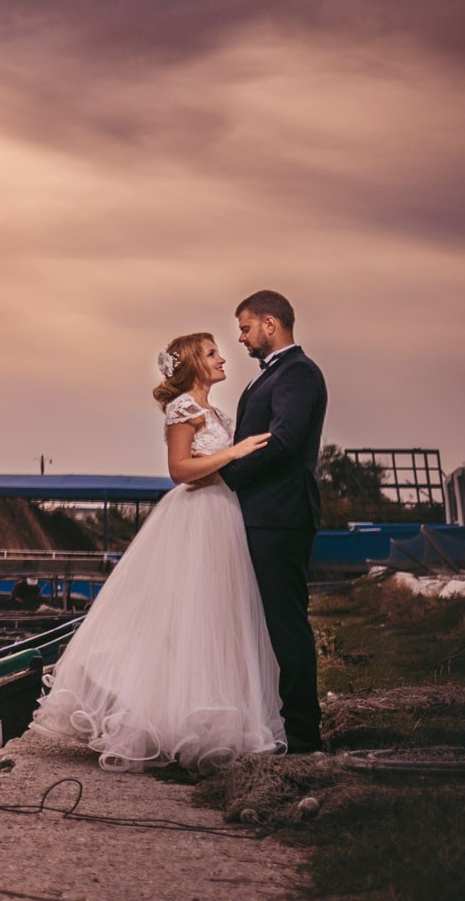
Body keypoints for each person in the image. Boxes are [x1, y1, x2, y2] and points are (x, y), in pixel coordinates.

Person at [31, 331, 284, 770]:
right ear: (192, 364)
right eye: (211, 353)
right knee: (179, 617)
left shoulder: (217, 411)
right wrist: (236, 453)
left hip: (223, 515)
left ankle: (207, 721)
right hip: (195, 518)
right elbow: (179, 470)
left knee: (214, 620)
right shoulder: (182, 407)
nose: (223, 357)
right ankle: (154, 716)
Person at [217, 289, 328, 753]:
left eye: (244, 328)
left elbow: (282, 442)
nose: (240, 338)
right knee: (268, 624)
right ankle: (279, 722)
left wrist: (227, 476)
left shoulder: (297, 373)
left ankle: (303, 734)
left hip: (280, 516)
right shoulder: (274, 376)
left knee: (286, 624)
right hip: (265, 514)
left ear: (269, 324)